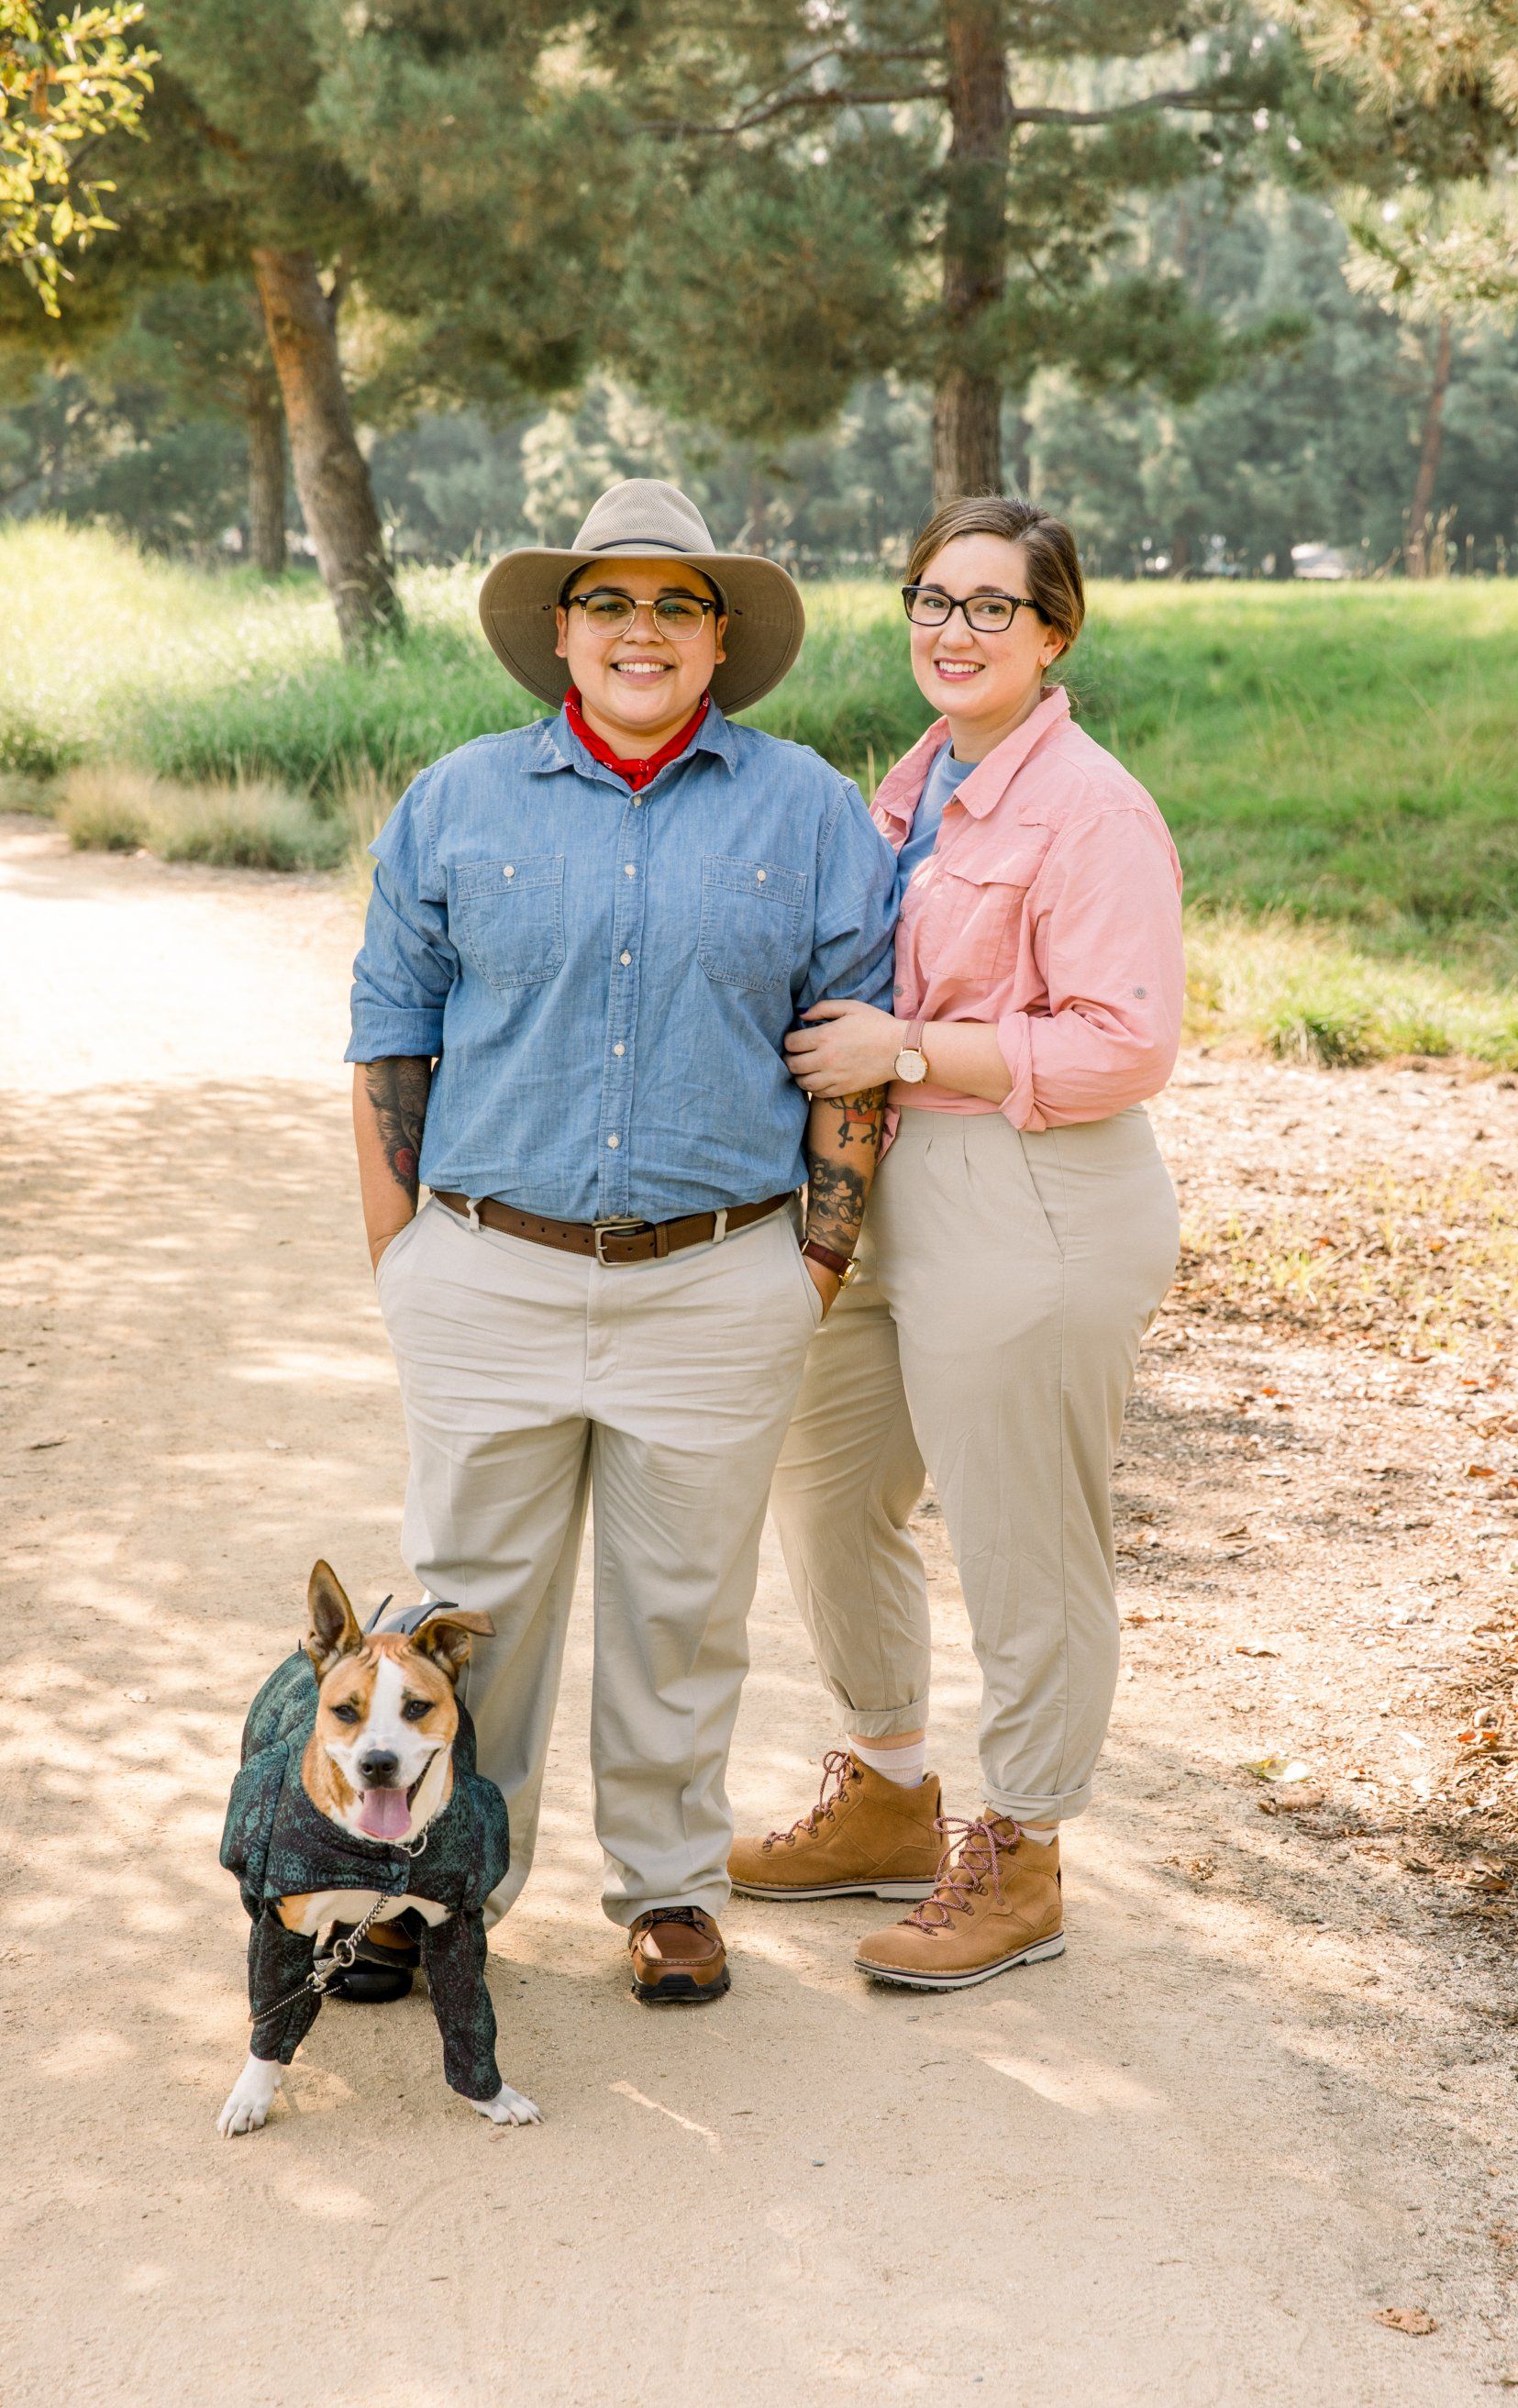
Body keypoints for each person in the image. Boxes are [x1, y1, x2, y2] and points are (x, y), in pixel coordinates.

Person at [347, 478, 894, 2006]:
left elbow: (848, 1053)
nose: (639, 629)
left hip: (721, 1274)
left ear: (718, 639)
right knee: (466, 1610)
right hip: (486, 1264)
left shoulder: (808, 809)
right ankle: (437, 1885)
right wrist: (402, 1254)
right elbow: (391, 1031)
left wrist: (813, 1267)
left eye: (675, 602)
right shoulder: (458, 798)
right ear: (563, 633)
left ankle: (666, 1889)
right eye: (609, 601)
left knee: (682, 1608)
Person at [729, 494, 1182, 1992]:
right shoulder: (911, 787)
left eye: (993, 605)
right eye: (933, 598)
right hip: (890, 1191)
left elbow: (1125, 1046)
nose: (954, 629)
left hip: (1032, 1194)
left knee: (1021, 1539)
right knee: (825, 1475)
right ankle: (885, 1788)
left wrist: (908, 1047)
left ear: (1053, 632)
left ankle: (1024, 1851)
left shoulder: (1092, 809)